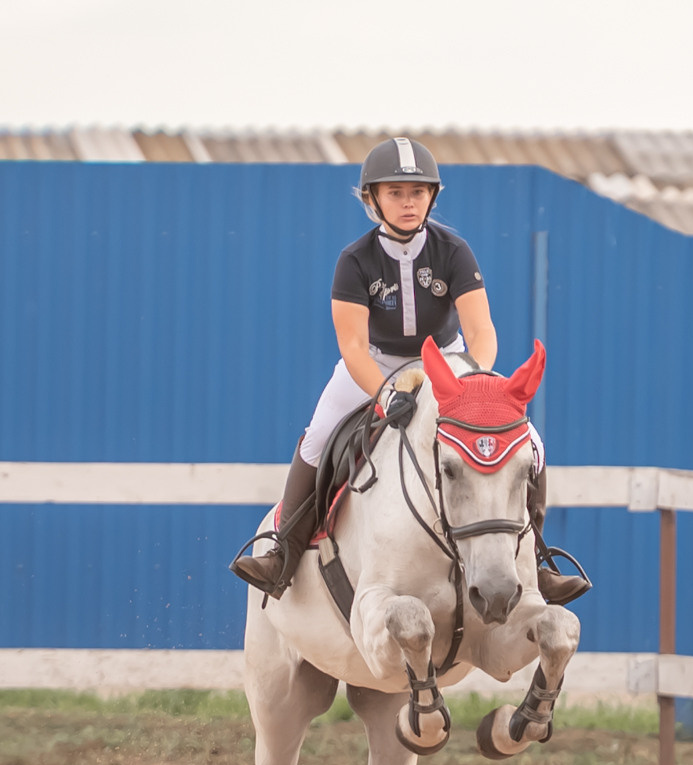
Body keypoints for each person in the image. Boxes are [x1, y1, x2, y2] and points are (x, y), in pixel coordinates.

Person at [230, 136, 589, 606]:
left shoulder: (453, 250)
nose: (407, 202)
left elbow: (482, 329)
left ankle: (537, 562)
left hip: (449, 361)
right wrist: (382, 393)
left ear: (432, 197)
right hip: (376, 363)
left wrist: (474, 381)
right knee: (318, 437)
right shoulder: (355, 260)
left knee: (532, 444)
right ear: (372, 198)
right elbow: (354, 345)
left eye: (417, 192)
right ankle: (283, 552)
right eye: (395, 192)